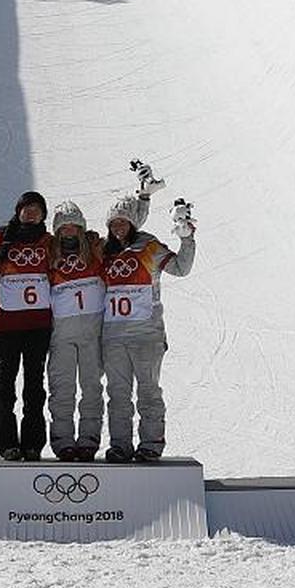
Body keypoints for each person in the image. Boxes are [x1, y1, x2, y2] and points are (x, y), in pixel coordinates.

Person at [100, 188, 196, 462]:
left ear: (132, 223)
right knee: (117, 394)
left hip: (146, 335)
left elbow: (181, 268)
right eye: (113, 223)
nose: (118, 227)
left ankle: (151, 444)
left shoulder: (148, 246)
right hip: (114, 337)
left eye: (123, 221)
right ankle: (120, 445)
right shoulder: (103, 252)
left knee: (148, 391)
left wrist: (187, 238)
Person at [0, 192, 54, 461]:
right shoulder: (1, 238)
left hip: (38, 324)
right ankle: (7, 443)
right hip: (7, 325)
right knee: (5, 385)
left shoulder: (49, 242)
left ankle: (32, 443)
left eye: (37, 210)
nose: (31, 213)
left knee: (34, 385)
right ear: (18, 211)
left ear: (43, 215)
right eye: (27, 209)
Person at [45, 201, 106, 461]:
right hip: (62, 333)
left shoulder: (95, 249)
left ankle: (89, 438)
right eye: (64, 227)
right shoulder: (48, 252)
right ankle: (62, 439)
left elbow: (124, 242)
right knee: (62, 388)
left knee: (92, 387)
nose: (69, 231)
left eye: (74, 226)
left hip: (92, 332)